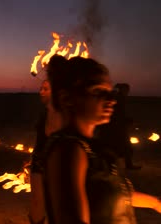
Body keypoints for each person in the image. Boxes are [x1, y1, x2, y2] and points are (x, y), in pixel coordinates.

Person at [42, 55, 161, 224]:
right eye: (98, 91)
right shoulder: (68, 150)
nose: (112, 100)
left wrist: (155, 202)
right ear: (66, 99)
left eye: (110, 92)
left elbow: (109, 194)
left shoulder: (91, 148)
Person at [29, 80, 63, 224]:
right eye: (41, 88)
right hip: (39, 163)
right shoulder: (44, 114)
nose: (40, 92)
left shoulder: (64, 115)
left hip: (58, 165)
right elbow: (40, 140)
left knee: (58, 204)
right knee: (37, 202)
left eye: (45, 89)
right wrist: (31, 160)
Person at [97, 83, 141, 170]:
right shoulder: (117, 98)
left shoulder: (119, 97)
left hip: (116, 126)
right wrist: (126, 120)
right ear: (122, 90)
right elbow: (116, 114)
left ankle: (125, 165)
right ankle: (114, 166)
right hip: (114, 127)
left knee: (122, 146)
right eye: (126, 89)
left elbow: (120, 113)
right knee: (118, 146)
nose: (127, 92)